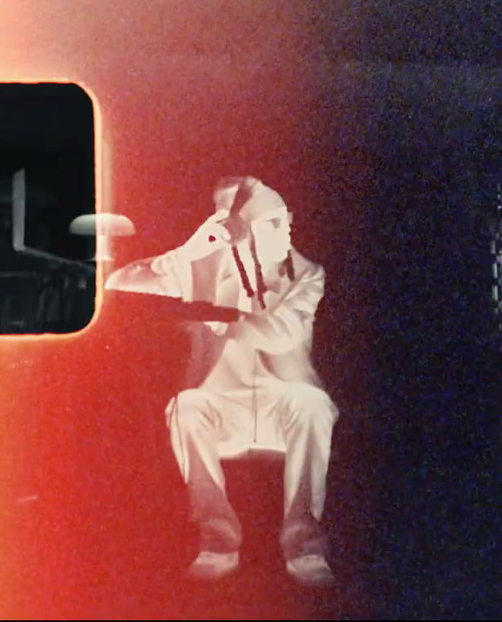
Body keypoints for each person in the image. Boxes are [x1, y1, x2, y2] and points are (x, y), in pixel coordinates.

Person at [105, 177, 337, 586]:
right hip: (221, 407)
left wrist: (228, 320)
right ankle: (218, 538)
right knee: (186, 407)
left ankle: (303, 542)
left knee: (313, 404)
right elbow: (117, 285)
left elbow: (283, 331)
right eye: (267, 223)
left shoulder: (306, 273)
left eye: (283, 220)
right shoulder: (198, 268)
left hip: (280, 408)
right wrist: (188, 252)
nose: (285, 230)